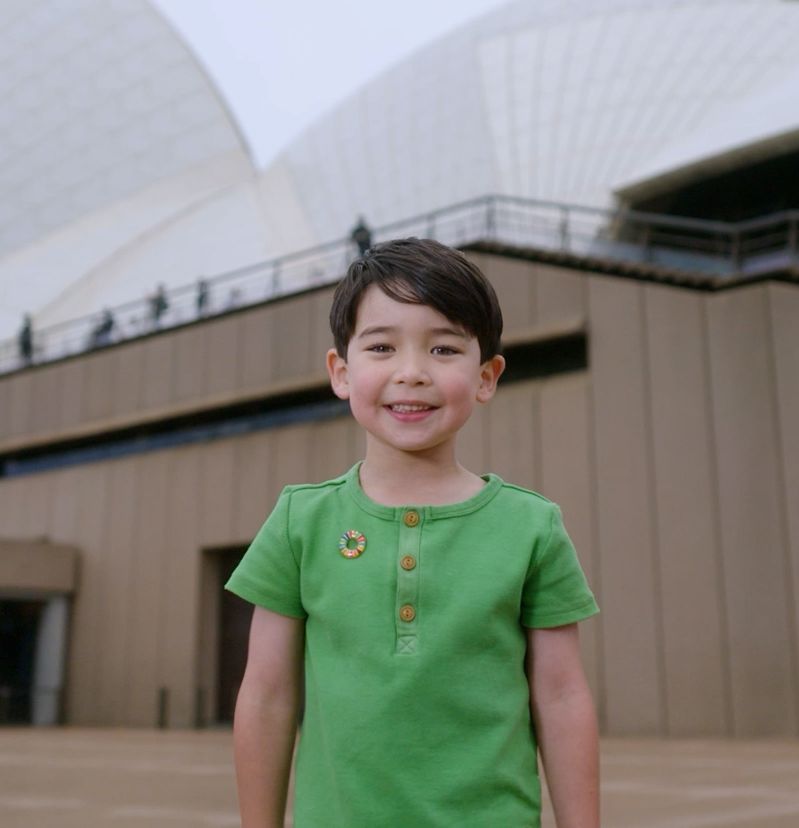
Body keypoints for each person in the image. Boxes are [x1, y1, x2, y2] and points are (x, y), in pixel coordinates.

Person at [226, 238, 600, 827]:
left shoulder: (532, 527)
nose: (411, 373)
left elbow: (561, 697)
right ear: (342, 373)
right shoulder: (301, 521)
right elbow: (267, 697)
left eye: (444, 348)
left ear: (486, 376)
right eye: (381, 346)